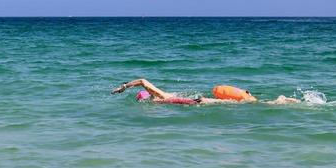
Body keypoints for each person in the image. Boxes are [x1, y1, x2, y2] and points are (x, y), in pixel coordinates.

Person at [111, 78, 300, 105]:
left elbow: (143, 81)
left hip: (199, 102)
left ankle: (279, 100)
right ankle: (278, 100)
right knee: (237, 103)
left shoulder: (159, 97)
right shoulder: (161, 99)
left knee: (237, 104)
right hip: (197, 102)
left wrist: (124, 87)